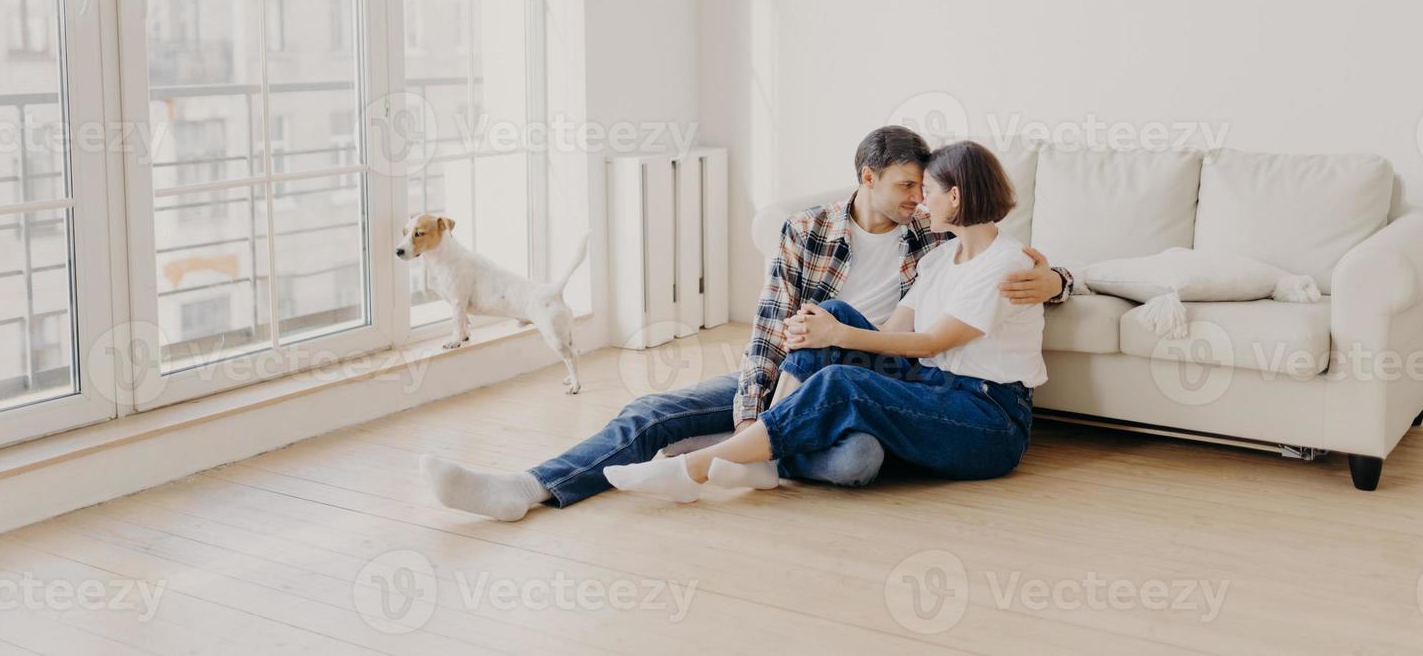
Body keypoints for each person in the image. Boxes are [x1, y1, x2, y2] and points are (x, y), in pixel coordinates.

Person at [422, 128, 1071, 520]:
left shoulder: (934, 240)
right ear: (867, 178)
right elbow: (770, 327)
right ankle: (529, 486)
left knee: (856, 458)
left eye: (922, 189)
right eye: (905, 187)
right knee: (655, 409)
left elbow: (995, 265)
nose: (914, 201)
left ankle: (742, 453)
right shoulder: (807, 231)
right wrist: (747, 407)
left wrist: (1059, 280)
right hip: (797, 369)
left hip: (884, 376)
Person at [603, 140, 1046, 500]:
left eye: (926, 191)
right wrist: (830, 329)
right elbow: (891, 335)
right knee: (829, 311)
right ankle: (760, 453)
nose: (919, 202)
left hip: (989, 418)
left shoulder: (1005, 264)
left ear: (955, 196)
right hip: (930, 389)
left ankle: (695, 469)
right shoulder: (943, 257)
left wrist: (839, 336)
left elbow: (930, 342)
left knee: (842, 381)